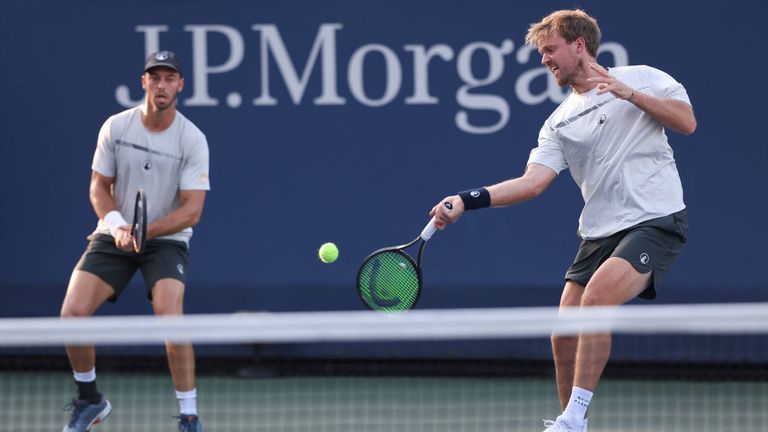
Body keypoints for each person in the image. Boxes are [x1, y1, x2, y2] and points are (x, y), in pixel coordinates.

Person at [430, 9, 695, 432]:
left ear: (579, 46)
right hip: (598, 233)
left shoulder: (643, 77)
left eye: (550, 50)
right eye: (541, 53)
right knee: (563, 335)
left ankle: (571, 420)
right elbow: (532, 183)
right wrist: (466, 200)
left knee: (595, 304)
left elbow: (686, 122)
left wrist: (629, 94)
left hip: (655, 219)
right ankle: (575, 425)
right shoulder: (558, 122)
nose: (544, 60)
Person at [60, 51, 210, 432]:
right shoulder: (116, 127)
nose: (162, 85)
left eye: (169, 78)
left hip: (166, 240)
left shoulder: (192, 139)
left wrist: (145, 232)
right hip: (114, 234)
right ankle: (89, 399)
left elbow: (192, 210)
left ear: (180, 86)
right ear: (143, 82)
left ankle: (189, 416)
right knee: (72, 315)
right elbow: (99, 186)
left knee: (170, 316)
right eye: (155, 77)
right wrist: (117, 225)